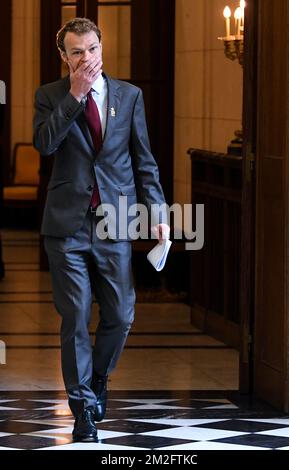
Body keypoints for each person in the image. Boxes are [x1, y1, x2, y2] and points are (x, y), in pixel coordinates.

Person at [33, 17, 169, 443]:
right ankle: (82, 410)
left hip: (116, 221)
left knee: (121, 314)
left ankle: (97, 380)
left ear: (101, 48)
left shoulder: (129, 96)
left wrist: (159, 212)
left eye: (91, 48)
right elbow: (45, 144)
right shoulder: (49, 96)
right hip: (67, 223)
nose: (86, 58)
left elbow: (143, 159)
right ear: (64, 57)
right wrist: (74, 97)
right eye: (76, 52)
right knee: (75, 316)